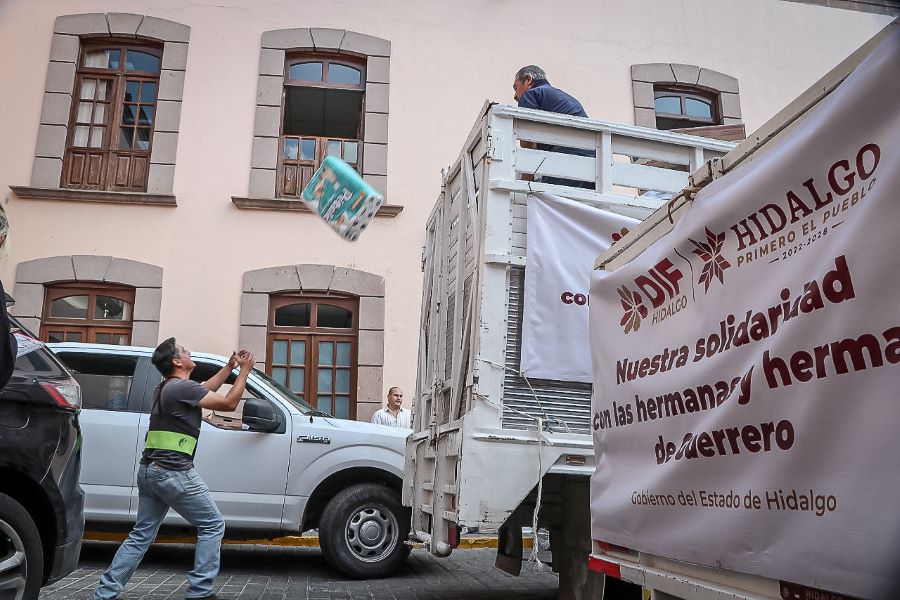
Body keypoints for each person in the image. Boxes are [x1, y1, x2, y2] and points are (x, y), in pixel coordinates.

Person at [94, 338, 254, 600]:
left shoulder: (167, 388)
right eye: (185, 351)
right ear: (178, 362)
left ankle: (105, 593)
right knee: (213, 525)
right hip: (172, 472)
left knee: (141, 535)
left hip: (150, 471)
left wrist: (229, 368)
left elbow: (205, 388)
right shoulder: (181, 388)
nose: (190, 352)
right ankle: (200, 591)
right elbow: (229, 404)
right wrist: (245, 371)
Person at [512, 65, 595, 188]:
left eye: (516, 87)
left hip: (567, 157)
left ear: (528, 80)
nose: (515, 96)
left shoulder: (531, 94)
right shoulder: (560, 96)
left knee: (543, 195)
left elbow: (528, 143)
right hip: (591, 163)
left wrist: (523, 184)